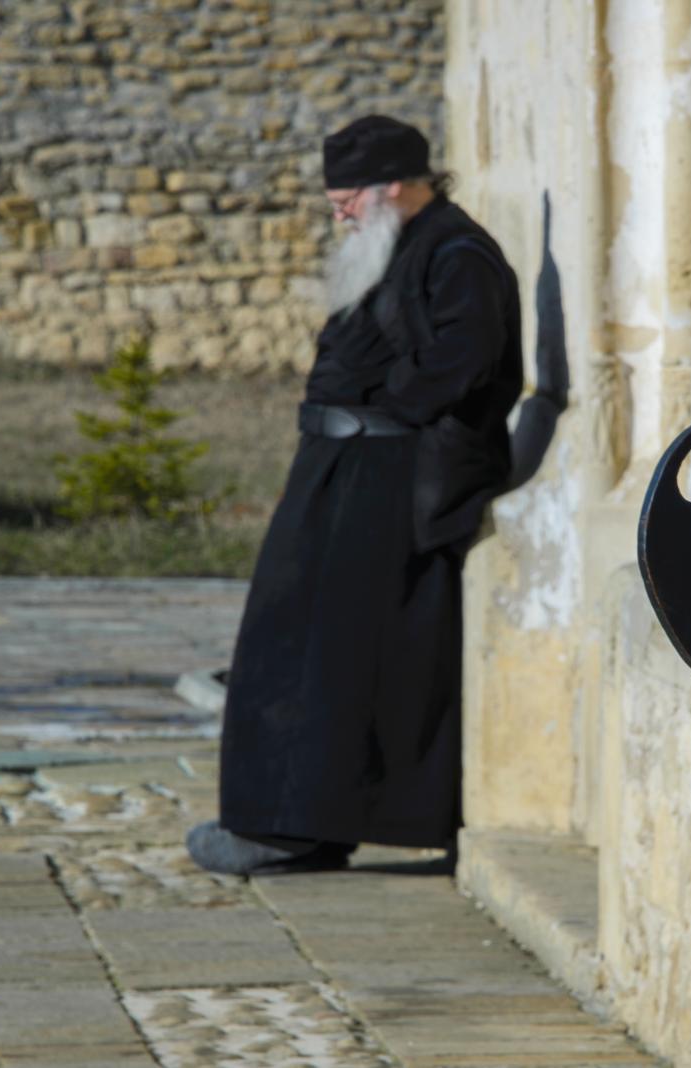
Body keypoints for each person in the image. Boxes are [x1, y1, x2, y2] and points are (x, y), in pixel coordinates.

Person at [186, 115, 523, 874]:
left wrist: (384, 400)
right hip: (347, 471)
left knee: (333, 656)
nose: (338, 215)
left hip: (392, 477)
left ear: (397, 186)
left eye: (347, 201)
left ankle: (289, 830)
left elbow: (465, 361)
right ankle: (295, 821)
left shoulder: (458, 252)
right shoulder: (400, 245)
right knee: (292, 643)